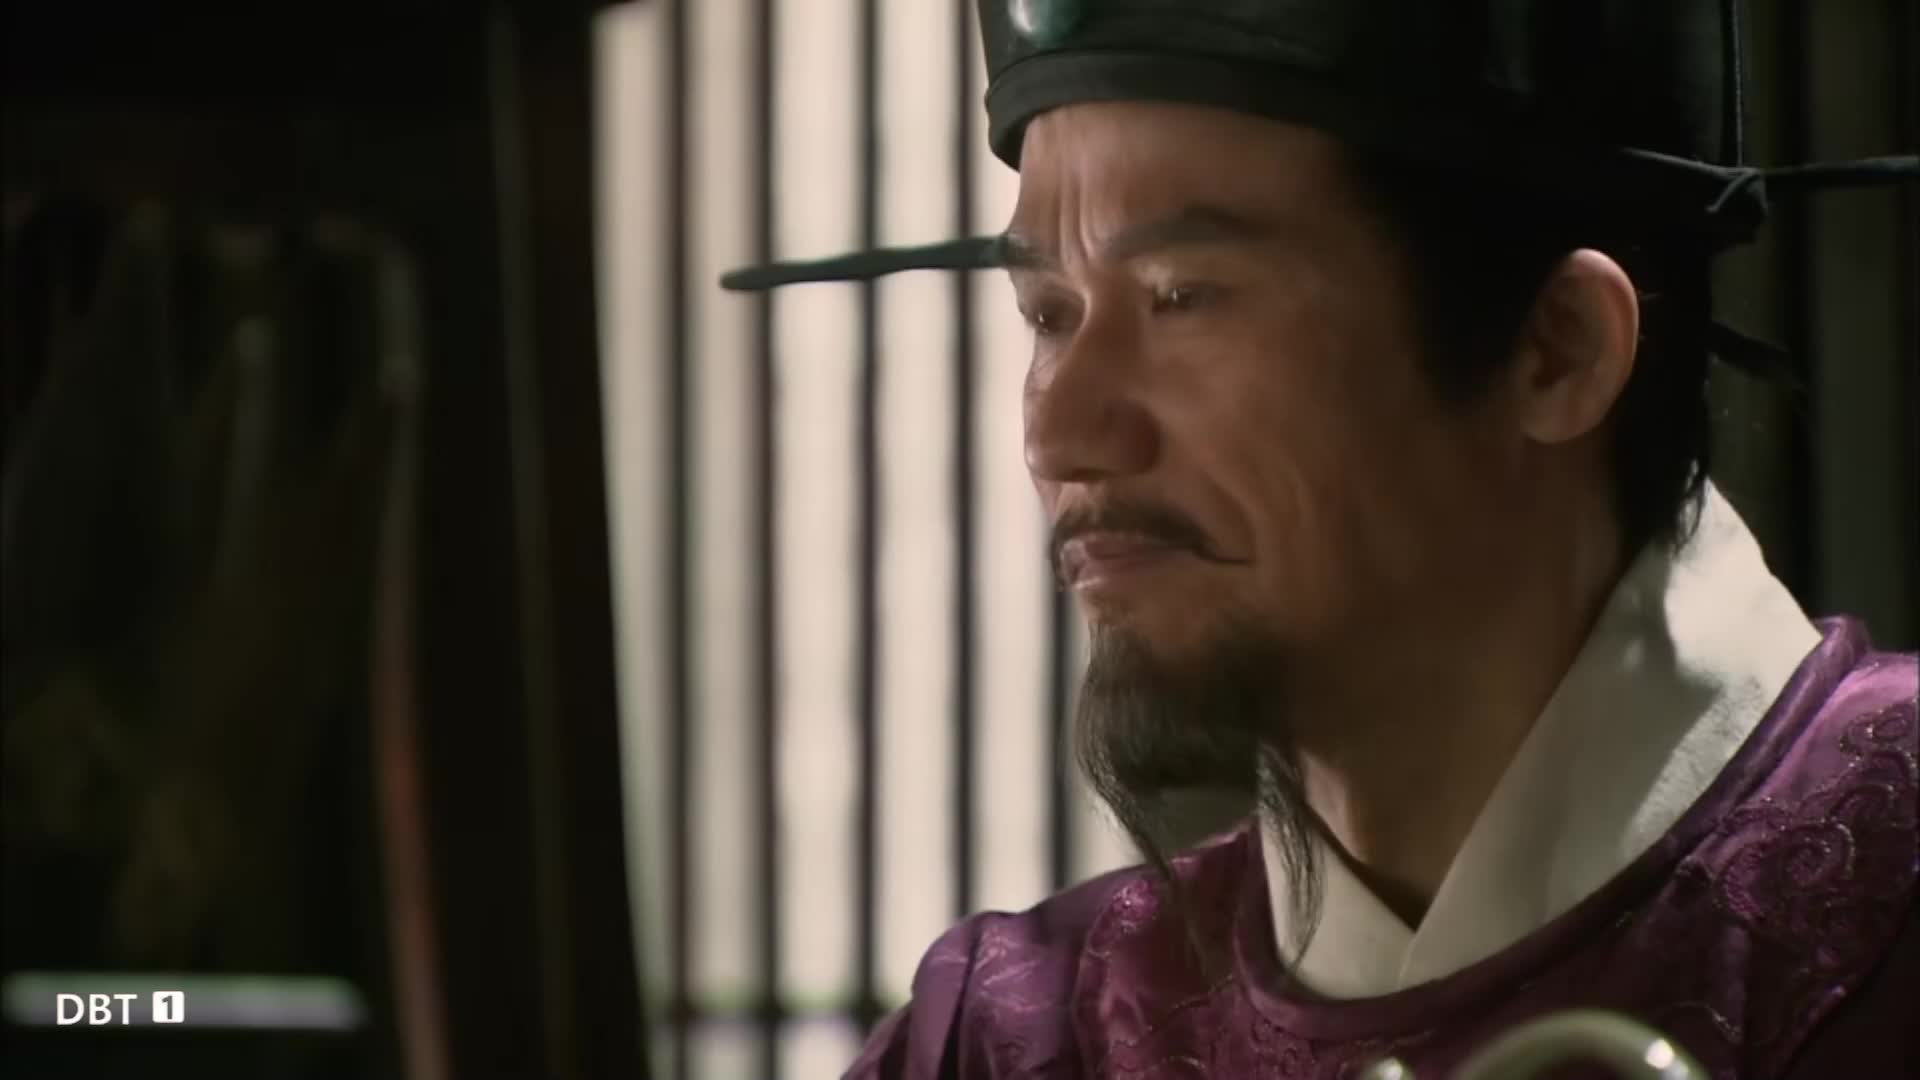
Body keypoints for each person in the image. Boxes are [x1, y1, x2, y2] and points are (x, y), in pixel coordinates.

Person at [724, 1, 1919, 1075]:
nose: (1061, 434)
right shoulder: (1017, 1044)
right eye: (1049, 313)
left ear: (1556, 350)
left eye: (1181, 297)